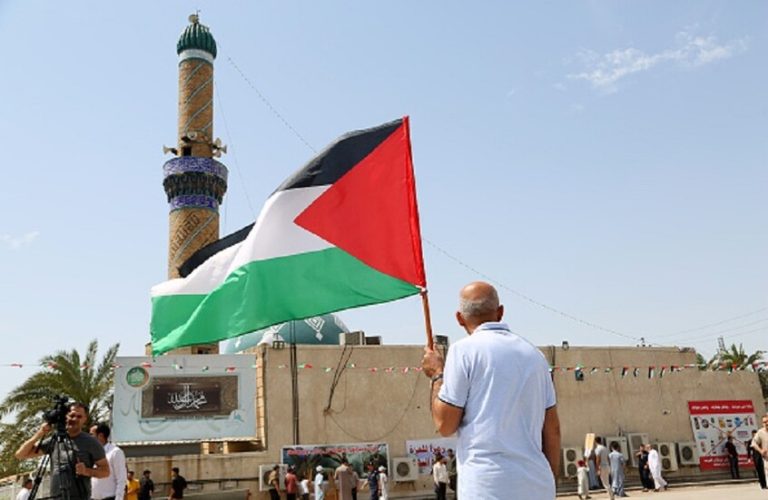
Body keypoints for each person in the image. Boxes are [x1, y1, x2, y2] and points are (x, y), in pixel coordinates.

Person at [421, 282, 560, 499]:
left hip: (487, 486)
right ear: (500, 312)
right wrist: (548, 483)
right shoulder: (535, 356)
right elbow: (552, 430)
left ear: (459, 318)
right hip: (537, 484)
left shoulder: (463, 351)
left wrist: (437, 375)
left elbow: (445, 425)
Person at [15, 402, 109, 500]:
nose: (75, 419)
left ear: (85, 419)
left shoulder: (91, 442)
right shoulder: (54, 440)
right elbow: (20, 454)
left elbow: (106, 471)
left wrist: (86, 471)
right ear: (66, 417)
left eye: (79, 416)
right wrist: (40, 433)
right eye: (72, 415)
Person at [90, 422, 127, 500]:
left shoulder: (115, 452)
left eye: (91, 435)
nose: (89, 437)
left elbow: (121, 479)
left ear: (100, 436)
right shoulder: (91, 453)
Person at [752, 415, 768, 489]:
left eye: (767, 421)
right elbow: (754, 443)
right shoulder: (760, 432)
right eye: (764, 422)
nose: (766, 423)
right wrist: (760, 450)